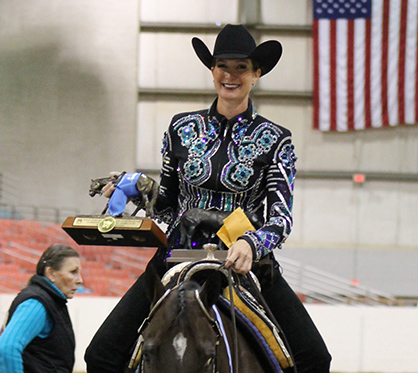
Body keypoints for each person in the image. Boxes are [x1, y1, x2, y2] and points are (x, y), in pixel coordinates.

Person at [85, 24, 331, 372]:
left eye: (241, 67)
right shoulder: (180, 129)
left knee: (315, 359)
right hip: (176, 254)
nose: (230, 76)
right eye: (222, 66)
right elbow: (169, 204)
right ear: (212, 70)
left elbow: (281, 217)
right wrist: (139, 188)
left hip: (244, 260)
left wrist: (252, 242)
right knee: (100, 354)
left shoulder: (277, 139)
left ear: (256, 73)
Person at [0, 244, 83, 373]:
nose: (80, 280)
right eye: (73, 272)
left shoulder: (47, 300)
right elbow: (7, 347)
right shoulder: (37, 303)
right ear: (51, 273)